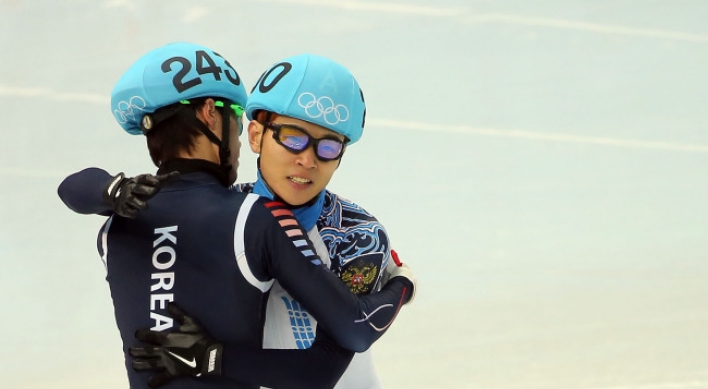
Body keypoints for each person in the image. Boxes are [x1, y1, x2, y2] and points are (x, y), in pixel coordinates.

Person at [57, 42, 415, 389]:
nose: (307, 160)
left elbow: (344, 345)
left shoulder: (357, 234)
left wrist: (212, 359)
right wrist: (111, 190)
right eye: (293, 138)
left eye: (328, 146)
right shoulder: (234, 213)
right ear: (256, 136)